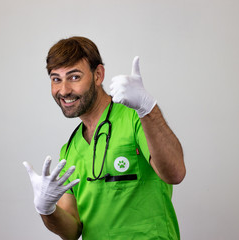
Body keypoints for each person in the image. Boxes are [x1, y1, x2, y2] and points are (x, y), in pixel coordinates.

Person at [23, 36, 186, 240]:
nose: (63, 90)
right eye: (56, 79)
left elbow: (176, 173)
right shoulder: (70, 149)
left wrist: (148, 109)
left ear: (98, 75)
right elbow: (72, 231)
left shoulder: (135, 118)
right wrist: (46, 209)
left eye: (74, 77)